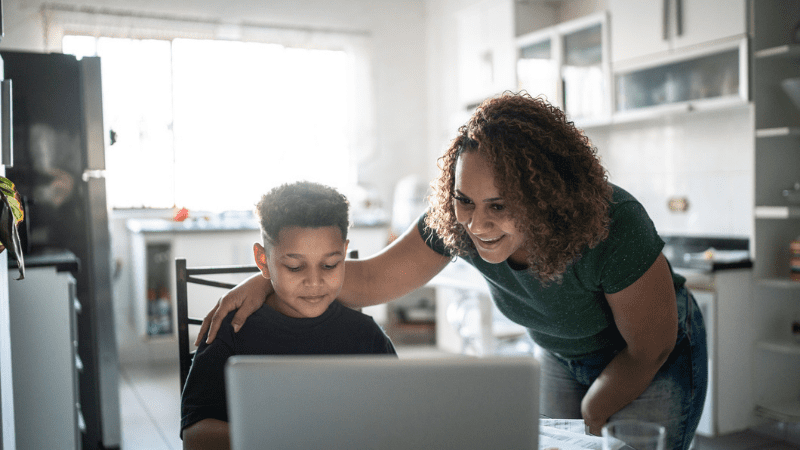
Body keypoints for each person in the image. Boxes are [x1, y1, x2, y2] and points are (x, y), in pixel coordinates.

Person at [198, 93, 707, 450]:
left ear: (546, 195)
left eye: (499, 206)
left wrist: (595, 413)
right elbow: (372, 280)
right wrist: (272, 279)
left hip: (649, 352)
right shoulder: (457, 221)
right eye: (465, 201)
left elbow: (650, 346)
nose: (477, 224)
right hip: (560, 349)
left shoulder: (613, 225)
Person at [180, 181, 397, 450]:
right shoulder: (231, 330)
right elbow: (195, 435)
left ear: (344, 251)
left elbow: (398, 423)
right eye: (295, 267)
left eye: (330, 265)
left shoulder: (367, 337)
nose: (314, 282)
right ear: (263, 261)